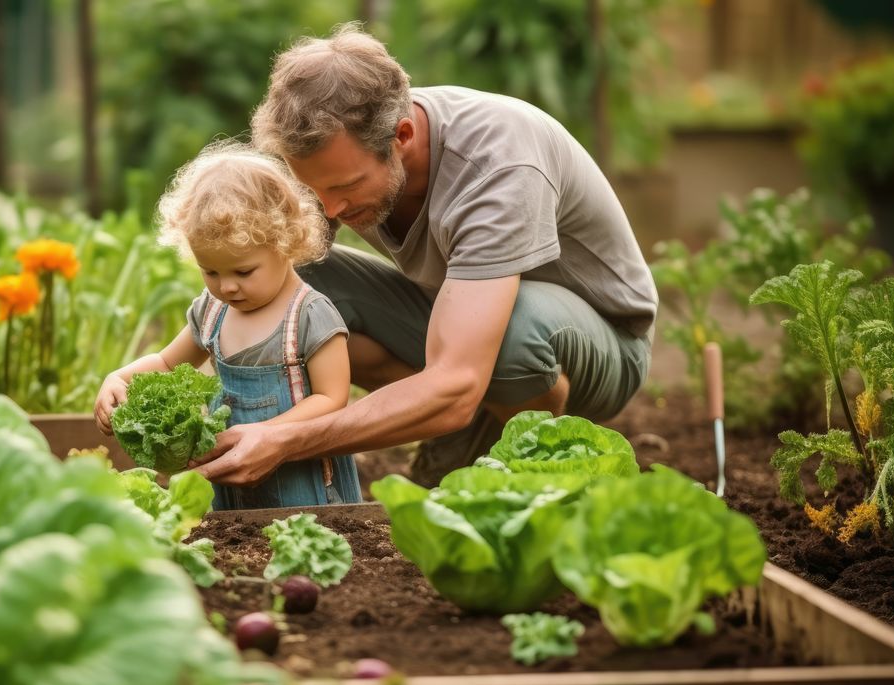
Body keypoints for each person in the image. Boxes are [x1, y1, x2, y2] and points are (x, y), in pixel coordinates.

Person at [192, 24, 658, 487]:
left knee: (513, 334)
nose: (328, 209)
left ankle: (527, 467)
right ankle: (463, 416)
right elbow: (253, 274)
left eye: (346, 188)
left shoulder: (498, 164)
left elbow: (462, 371)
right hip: (459, 323)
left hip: (600, 347)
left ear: (403, 135)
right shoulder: (336, 146)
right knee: (296, 274)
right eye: (314, 189)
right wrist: (155, 374)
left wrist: (288, 441)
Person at [93, 141, 362, 509]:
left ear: (286, 242)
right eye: (211, 271)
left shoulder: (310, 315)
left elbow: (333, 400)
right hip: (230, 477)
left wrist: (266, 434)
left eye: (243, 271)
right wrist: (119, 378)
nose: (227, 286)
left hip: (301, 482)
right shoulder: (212, 311)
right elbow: (167, 363)